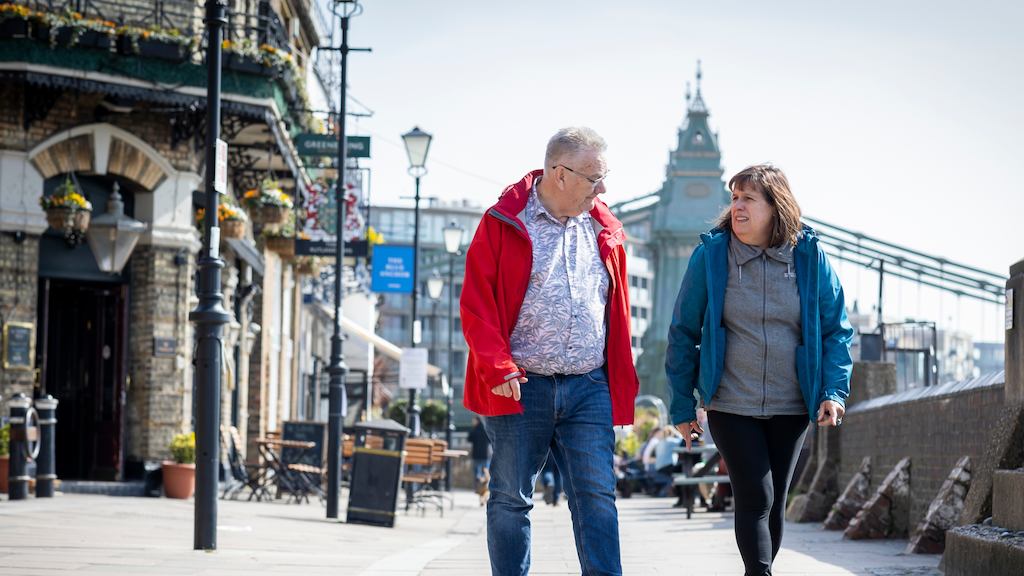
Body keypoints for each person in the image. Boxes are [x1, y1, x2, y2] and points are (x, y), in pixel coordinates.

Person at [460, 127, 640, 576]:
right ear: (559, 173)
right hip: (521, 386)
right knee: (510, 498)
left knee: (597, 496)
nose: (603, 188)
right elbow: (476, 304)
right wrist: (498, 365)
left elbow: (614, 307)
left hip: (588, 383)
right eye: (594, 177)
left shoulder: (605, 226)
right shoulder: (503, 221)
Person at [666, 164, 853, 576]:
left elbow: (836, 330)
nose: (737, 207)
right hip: (730, 402)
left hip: (791, 403)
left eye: (748, 198)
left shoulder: (809, 257)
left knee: (774, 503)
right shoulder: (712, 256)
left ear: (775, 206)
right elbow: (682, 331)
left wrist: (833, 392)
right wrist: (682, 405)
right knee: (755, 494)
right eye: (734, 198)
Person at [468, 416, 491, 506]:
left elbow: (469, 439)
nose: (472, 422)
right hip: (486, 456)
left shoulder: (475, 430)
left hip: (477, 456)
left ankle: (480, 497)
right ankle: (485, 496)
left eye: (473, 420)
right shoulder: (486, 428)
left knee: (478, 478)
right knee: (486, 478)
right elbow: (491, 440)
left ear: (477, 421)